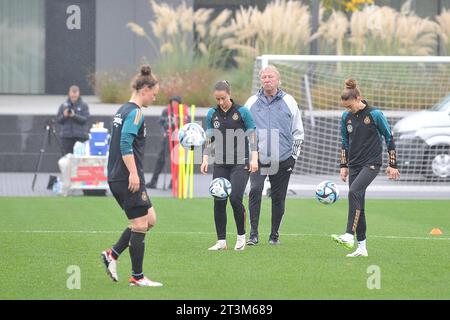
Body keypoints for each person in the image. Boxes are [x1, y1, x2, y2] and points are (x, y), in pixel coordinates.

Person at [101, 65, 163, 287]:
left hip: (121, 175)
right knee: (139, 224)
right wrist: (134, 174)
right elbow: (125, 143)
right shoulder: (135, 112)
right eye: (154, 94)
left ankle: (112, 254)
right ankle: (137, 277)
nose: (154, 98)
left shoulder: (122, 109)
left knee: (150, 220)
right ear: (145, 89)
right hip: (127, 177)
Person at [332, 78, 400, 257]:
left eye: (350, 106)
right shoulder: (345, 117)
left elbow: (389, 138)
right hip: (353, 165)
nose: (348, 109)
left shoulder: (375, 115)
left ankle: (348, 235)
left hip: (371, 163)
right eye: (345, 107)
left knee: (353, 192)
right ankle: (362, 248)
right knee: (358, 204)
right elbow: (344, 142)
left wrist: (393, 164)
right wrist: (343, 165)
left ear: (358, 98)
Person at [244, 65, 304, 246]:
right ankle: (253, 234)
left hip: (283, 158)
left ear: (278, 80)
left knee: (278, 197)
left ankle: (274, 235)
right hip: (259, 159)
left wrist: (293, 156)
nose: (267, 80)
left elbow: (298, 132)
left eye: (270, 77)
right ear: (260, 80)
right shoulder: (251, 102)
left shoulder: (289, 101)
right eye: (264, 77)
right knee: (255, 191)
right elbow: (244, 129)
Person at [201, 80, 258, 251]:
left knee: (235, 198)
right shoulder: (212, 113)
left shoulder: (242, 112)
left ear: (229, 94)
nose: (220, 102)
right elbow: (210, 138)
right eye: (217, 99)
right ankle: (221, 241)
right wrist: (205, 158)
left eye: (223, 98)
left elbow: (252, 135)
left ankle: (241, 237)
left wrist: (254, 158)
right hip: (220, 162)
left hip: (241, 162)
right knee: (219, 200)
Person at [146, 96, 186, 189]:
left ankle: (173, 182)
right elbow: (161, 123)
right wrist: (164, 132)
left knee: (176, 161)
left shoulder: (182, 112)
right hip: (167, 138)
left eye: (176, 102)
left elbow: (185, 124)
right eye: (172, 102)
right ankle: (153, 182)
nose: (174, 104)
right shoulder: (166, 111)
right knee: (161, 160)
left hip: (178, 139)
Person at [56, 85, 90, 155]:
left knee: (81, 159)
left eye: (75, 95)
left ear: (78, 94)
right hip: (67, 137)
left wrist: (74, 116)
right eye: (72, 95)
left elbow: (85, 120)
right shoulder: (63, 105)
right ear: (69, 93)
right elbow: (59, 120)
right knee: (66, 158)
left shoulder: (84, 105)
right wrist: (64, 116)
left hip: (80, 137)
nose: (74, 97)